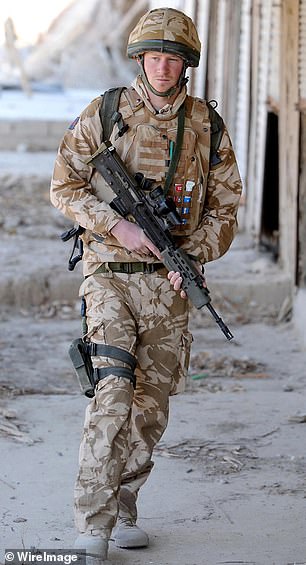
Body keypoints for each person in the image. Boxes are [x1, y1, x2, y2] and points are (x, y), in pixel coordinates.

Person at [50, 7, 242, 564]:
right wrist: (118, 224)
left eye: (172, 58)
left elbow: (226, 207)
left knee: (150, 406)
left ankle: (125, 502)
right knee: (111, 392)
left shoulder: (207, 125)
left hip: (169, 284)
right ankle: (93, 519)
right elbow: (64, 185)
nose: (162, 67)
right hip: (108, 275)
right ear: (141, 58)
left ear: (187, 64)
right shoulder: (108, 111)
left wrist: (194, 257)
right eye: (154, 57)